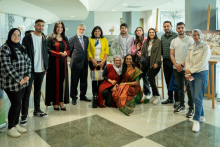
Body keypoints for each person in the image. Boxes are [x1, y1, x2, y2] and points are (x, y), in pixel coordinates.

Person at [0, 28, 32, 137]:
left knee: (19, 103)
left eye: (19, 35)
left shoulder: (22, 47)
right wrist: (19, 79)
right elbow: (6, 67)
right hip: (11, 83)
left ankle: (15, 124)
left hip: (23, 81)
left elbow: (28, 61)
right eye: (14, 34)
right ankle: (10, 128)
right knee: (16, 103)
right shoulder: (5, 48)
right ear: (10, 35)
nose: (17, 37)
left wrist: (28, 75)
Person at [22, 19, 48, 125]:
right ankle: (24, 115)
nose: (41, 27)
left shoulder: (44, 38)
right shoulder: (28, 37)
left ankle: (37, 110)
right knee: (27, 93)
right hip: (30, 69)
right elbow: (23, 53)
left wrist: (46, 67)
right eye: (39, 25)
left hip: (41, 69)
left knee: (37, 91)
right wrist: (25, 70)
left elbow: (45, 52)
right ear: (35, 26)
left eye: (42, 26)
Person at [185, 29, 211, 132]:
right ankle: (202, 116)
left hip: (201, 74)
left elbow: (203, 62)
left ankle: (196, 120)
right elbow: (187, 60)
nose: (196, 37)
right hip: (191, 74)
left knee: (198, 97)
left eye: (198, 35)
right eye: (194, 35)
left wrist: (190, 70)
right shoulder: (191, 47)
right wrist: (188, 72)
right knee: (195, 96)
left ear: (201, 35)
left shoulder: (206, 47)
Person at [170, 22, 194, 117]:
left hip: (188, 68)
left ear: (185, 28)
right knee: (180, 88)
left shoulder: (190, 40)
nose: (180, 29)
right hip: (177, 68)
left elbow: (191, 54)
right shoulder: (174, 41)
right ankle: (181, 105)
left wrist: (182, 64)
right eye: (179, 28)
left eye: (182, 28)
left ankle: (191, 108)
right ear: (176, 29)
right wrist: (176, 65)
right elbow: (172, 54)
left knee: (189, 89)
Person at [45, 21, 70, 110]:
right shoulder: (50, 38)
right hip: (53, 64)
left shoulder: (65, 38)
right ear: (55, 28)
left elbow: (69, 50)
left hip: (63, 64)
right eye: (58, 27)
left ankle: (61, 101)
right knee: (54, 82)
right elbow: (48, 50)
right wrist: (59, 54)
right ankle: (55, 102)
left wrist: (65, 53)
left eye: (61, 27)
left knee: (62, 82)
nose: (60, 29)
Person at [69, 23, 90, 105]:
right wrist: (76, 58)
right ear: (77, 29)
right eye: (80, 29)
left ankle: (83, 95)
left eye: (83, 29)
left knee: (84, 81)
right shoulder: (72, 39)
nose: (81, 31)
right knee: (74, 81)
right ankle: (74, 97)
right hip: (76, 64)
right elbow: (70, 52)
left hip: (84, 63)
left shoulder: (86, 39)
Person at [161, 21, 179, 107]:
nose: (166, 28)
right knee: (167, 80)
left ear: (171, 27)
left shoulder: (176, 36)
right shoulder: (162, 37)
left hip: (174, 61)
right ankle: (170, 98)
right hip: (165, 61)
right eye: (164, 26)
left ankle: (177, 100)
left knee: (175, 80)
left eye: (168, 26)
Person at [141, 28, 162, 104]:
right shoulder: (146, 42)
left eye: (153, 32)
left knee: (150, 79)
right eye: (150, 32)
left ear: (155, 33)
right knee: (151, 79)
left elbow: (159, 53)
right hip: (147, 63)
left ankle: (157, 95)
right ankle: (154, 94)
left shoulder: (158, 41)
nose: (151, 34)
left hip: (155, 62)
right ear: (148, 33)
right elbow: (143, 52)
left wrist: (157, 62)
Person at [88, 26, 109, 98]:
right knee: (94, 78)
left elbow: (106, 50)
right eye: (95, 31)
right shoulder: (90, 39)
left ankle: (100, 94)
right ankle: (94, 94)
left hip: (102, 61)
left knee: (101, 78)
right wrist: (93, 61)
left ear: (101, 32)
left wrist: (103, 61)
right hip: (93, 62)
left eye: (98, 31)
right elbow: (89, 51)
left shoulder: (104, 39)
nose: (97, 32)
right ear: (93, 32)